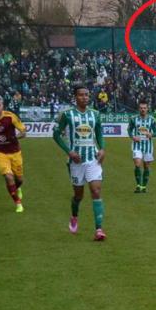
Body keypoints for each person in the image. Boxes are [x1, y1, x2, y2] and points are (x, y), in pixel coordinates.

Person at [53, 84, 107, 241]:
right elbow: (56, 134)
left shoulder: (95, 114)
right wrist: (69, 152)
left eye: (86, 95)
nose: (84, 97)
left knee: (96, 191)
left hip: (93, 159)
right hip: (76, 161)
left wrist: (102, 149)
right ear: (75, 97)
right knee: (78, 195)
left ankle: (99, 229)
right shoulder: (67, 114)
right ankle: (74, 216)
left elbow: (99, 133)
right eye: (81, 95)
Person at [128, 100, 156, 193]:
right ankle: (138, 185)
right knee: (137, 164)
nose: (143, 110)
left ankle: (143, 186)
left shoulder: (152, 120)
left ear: (147, 109)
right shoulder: (133, 119)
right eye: (141, 108)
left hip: (148, 146)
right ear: (139, 109)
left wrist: (152, 134)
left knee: (146, 166)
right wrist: (133, 137)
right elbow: (129, 129)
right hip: (137, 145)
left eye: (144, 108)